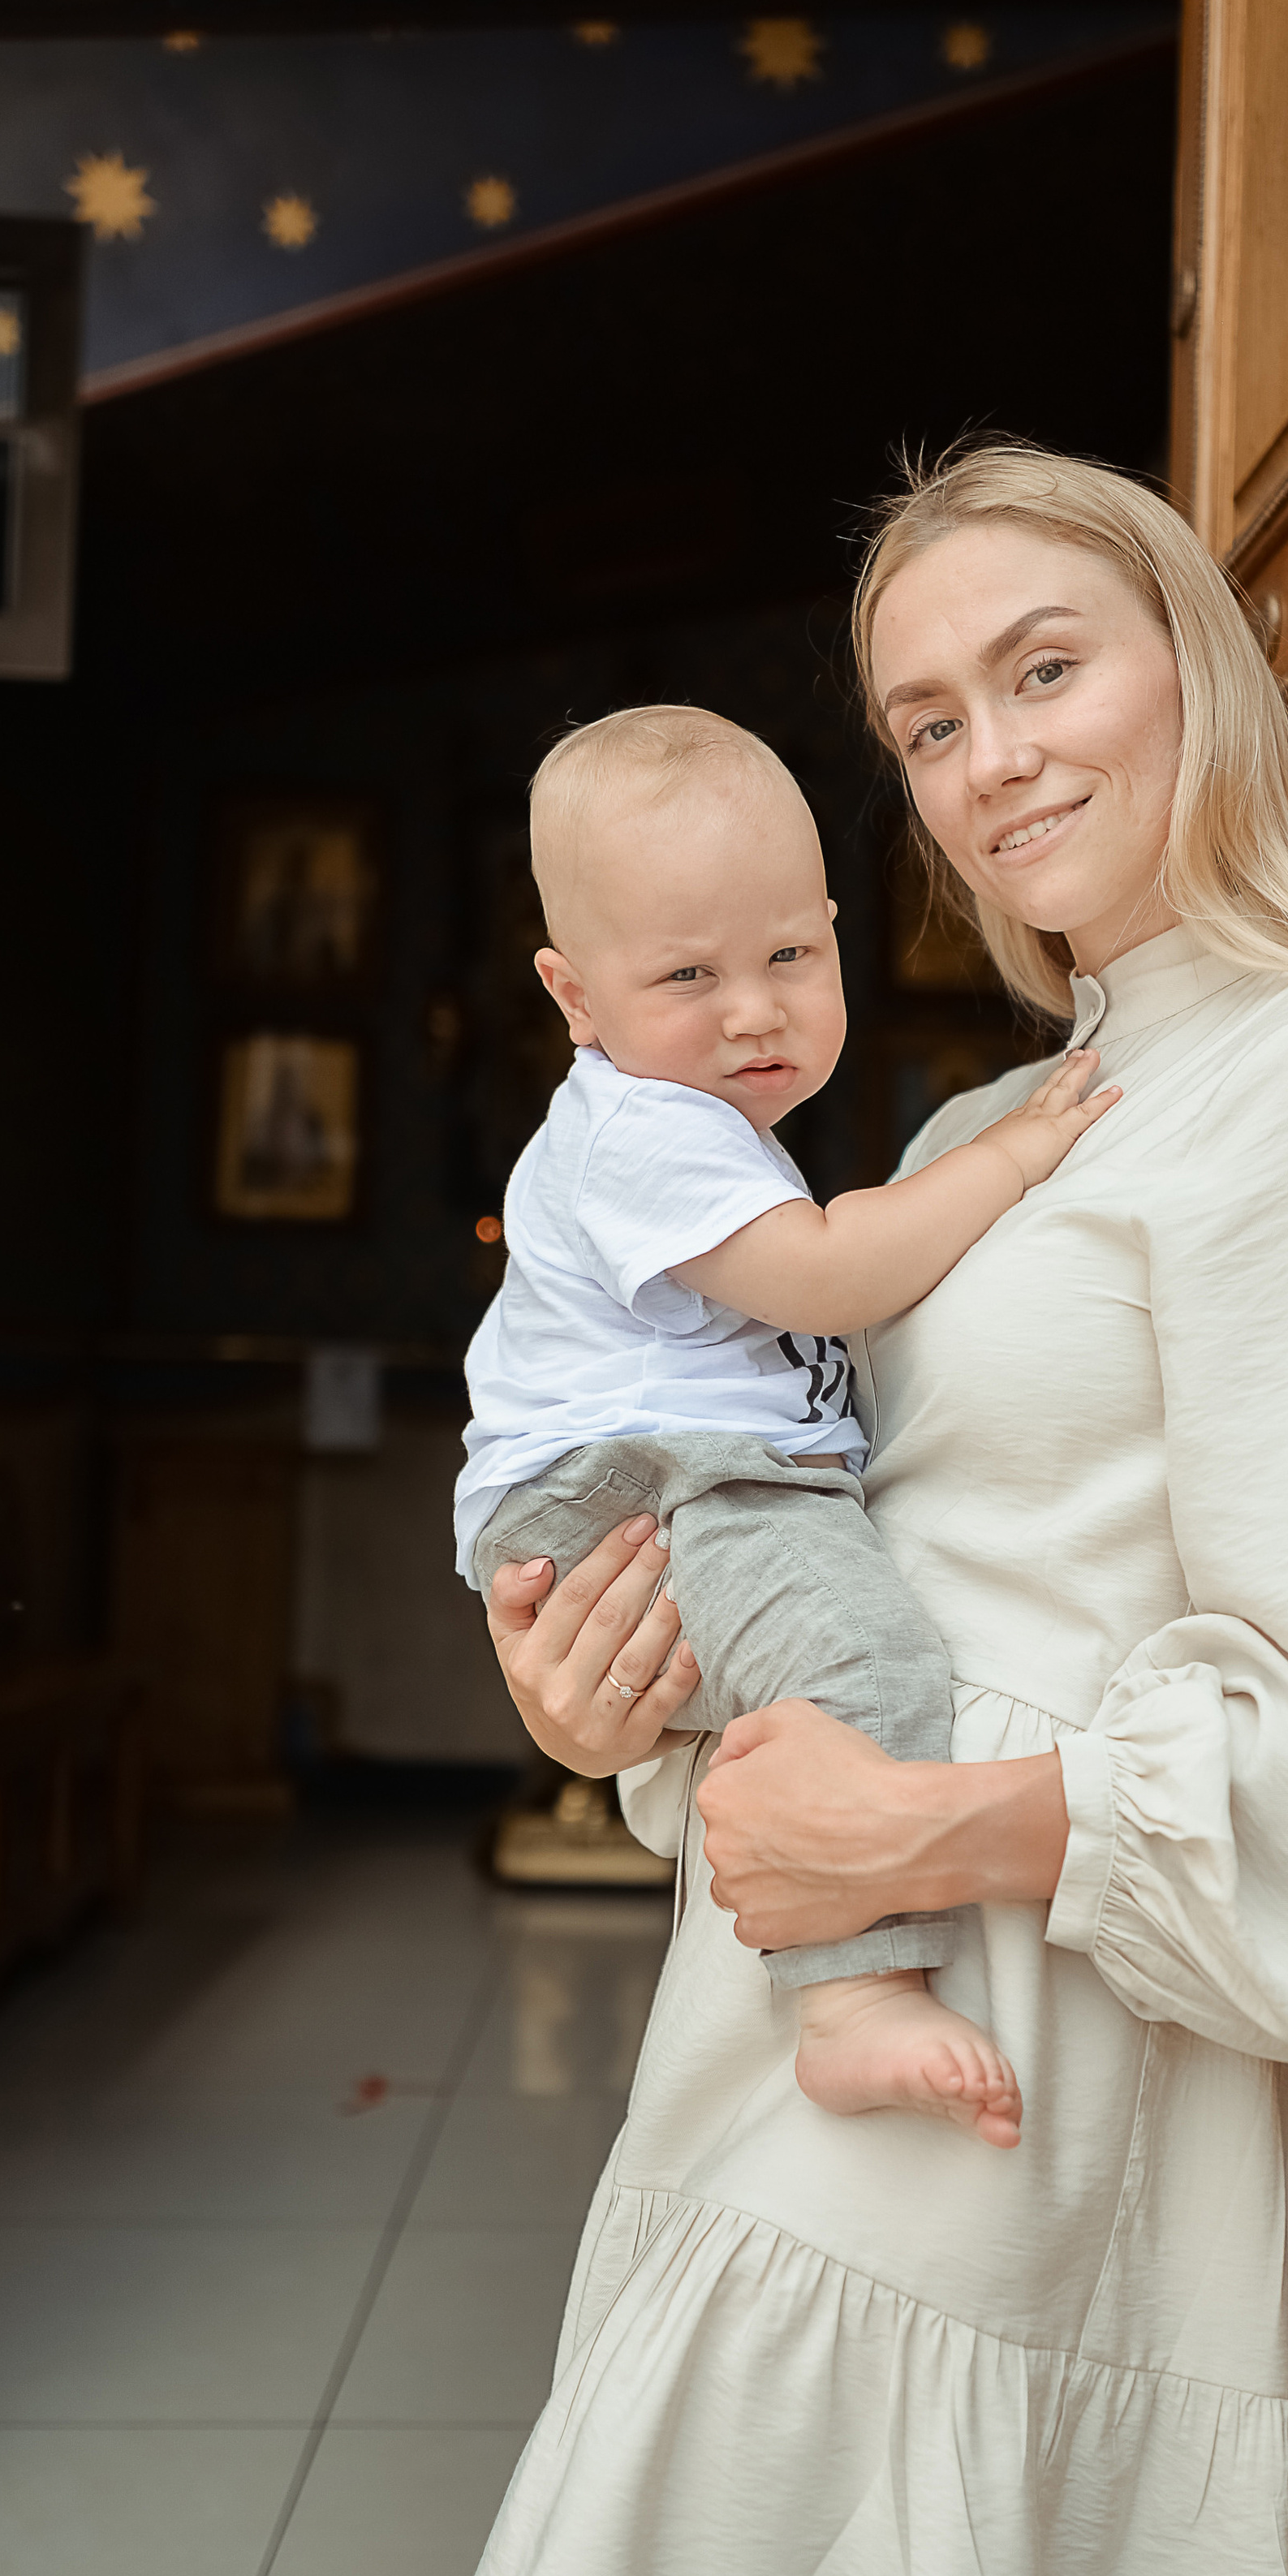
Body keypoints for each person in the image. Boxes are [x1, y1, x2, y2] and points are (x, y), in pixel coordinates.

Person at [394, 442, 1288, 2576]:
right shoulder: (988, 1122)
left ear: (1194, 667)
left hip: (1042, 2128)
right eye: (927, 721)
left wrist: (926, 1822)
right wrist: (615, 1704)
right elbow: (828, 1561)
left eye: (1041, 669)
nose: (989, 756)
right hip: (806, 2052)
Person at [457, 702, 1122, 2145]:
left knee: (819, 1661)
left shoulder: (694, 1119)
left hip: (660, 1478)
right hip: (642, 1483)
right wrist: (1016, 1155)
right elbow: (827, 1276)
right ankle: (855, 2002)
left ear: (833, 930)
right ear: (575, 997)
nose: (754, 1011)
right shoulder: (643, 1132)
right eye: (687, 974)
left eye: (788, 958)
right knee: (859, 1657)